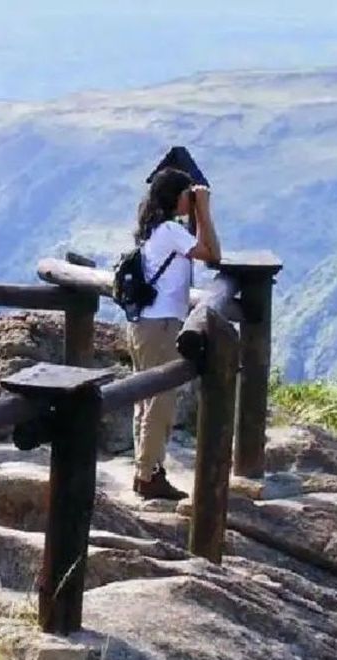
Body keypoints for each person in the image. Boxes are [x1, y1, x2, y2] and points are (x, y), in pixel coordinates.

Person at [128, 167, 221, 500]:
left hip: (144, 324)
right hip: (162, 325)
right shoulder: (170, 230)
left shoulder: (154, 229)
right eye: (186, 196)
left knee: (145, 400)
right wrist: (204, 211)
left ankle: (147, 470)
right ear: (175, 197)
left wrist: (196, 210)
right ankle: (148, 475)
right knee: (160, 402)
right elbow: (214, 254)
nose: (190, 200)